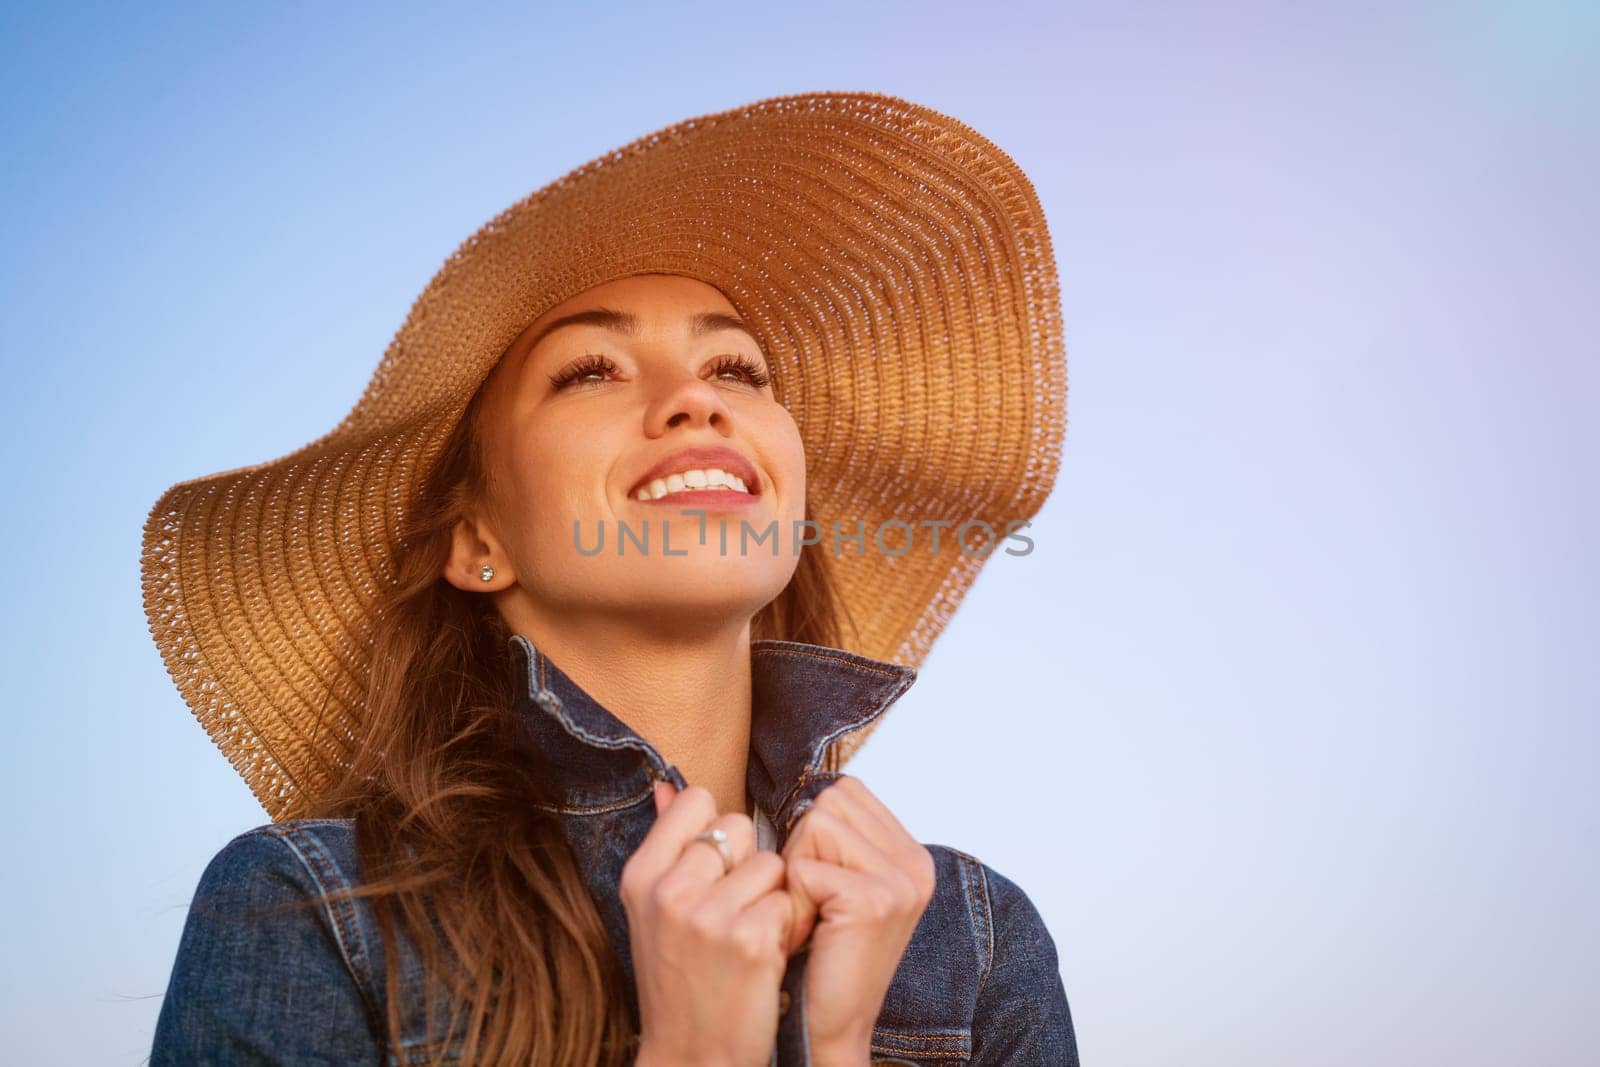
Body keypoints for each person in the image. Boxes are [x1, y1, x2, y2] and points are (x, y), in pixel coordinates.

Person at [142, 91, 1076, 1066]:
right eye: (592, 368)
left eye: (739, 369)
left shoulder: (972, 938)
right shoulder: (313, 912)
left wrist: (836, 1043)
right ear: (475, 537)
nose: (694, 401)